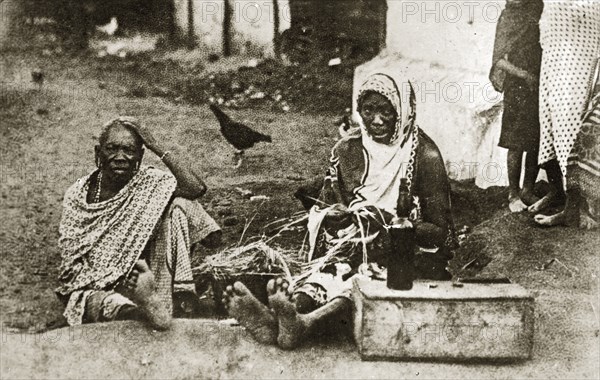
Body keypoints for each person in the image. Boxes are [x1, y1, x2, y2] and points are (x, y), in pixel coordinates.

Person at [222, 73, 457, 349]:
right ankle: (285, 317)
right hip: (348, 251)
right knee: (329, 273)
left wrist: (387, 222)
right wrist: (331, 217)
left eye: (386, 111)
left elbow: (439, 234)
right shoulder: (347, 149)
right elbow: (325, 209)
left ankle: (302, 323)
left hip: (404, 257)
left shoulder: (425, 156)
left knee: (359, 280)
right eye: (368, 110)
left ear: (403, 111)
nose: (376, 120)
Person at [56, 117, 222, 329]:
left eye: (129, 150)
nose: (120, 157)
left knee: (178, 205)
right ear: (98, 153)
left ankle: (179, 300)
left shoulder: (149, 183)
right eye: (112, 149)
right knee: (93, 301)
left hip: (145, 277)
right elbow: (70, 261)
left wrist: (154, 144)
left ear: (141, 155)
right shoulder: (78, 194)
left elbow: (195, 188)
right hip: (98, 285)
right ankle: (142, 311)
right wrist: (101, 276)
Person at [530, 0, 600, 228]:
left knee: (569, 126)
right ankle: (558, 192)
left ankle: (575, 208)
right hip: (553, 51)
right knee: (549, 126)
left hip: (579, 53)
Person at [489, 0, 544, 212]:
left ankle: (528, 189)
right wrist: (523, 75)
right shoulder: (509, 16)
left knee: (536, 138)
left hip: (539, 81)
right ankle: (513, 193)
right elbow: (498, 60)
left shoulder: (538, 8)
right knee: (515, 140)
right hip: (518, 85)